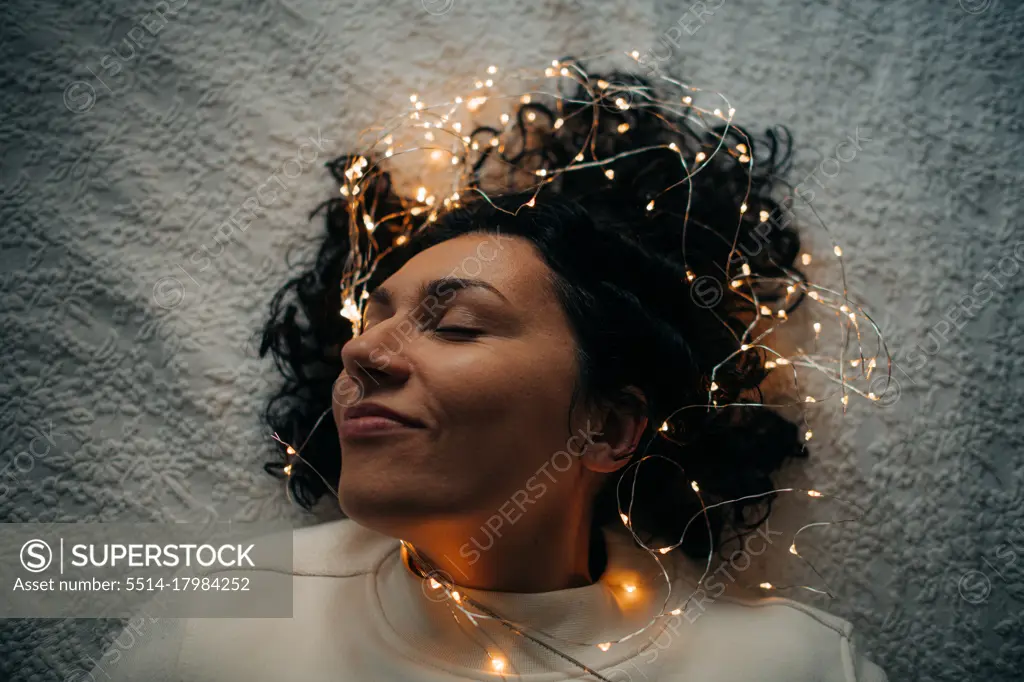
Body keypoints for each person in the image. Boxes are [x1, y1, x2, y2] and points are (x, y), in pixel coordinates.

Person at [90, 59, 888, 681]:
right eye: (374, 319)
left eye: (459, 324)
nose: (362, 353)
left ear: (606, 426)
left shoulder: (788, 663)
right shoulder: (229, 608)